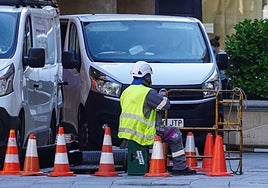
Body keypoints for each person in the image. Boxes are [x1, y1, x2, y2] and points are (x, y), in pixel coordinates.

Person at [118, 61, 196, 176]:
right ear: (147, 77)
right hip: (146, 132)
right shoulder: (148, 92)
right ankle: (180, 167)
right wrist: (163, 95)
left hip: (127, 132)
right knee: (175, 134)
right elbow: (166, 105)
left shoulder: (126, 91)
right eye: (150, 76)